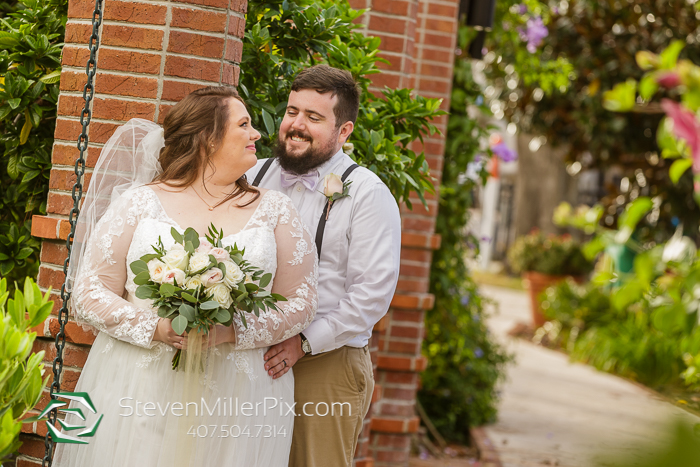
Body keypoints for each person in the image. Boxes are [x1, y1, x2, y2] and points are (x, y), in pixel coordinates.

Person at [53, 87, 318, 467]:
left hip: (239, 394)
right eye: (244, 125)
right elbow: (90, 291)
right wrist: (157, 327)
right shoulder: (139, 202)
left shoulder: (276, 210)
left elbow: (303, 302)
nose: (257, 134)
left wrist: (233, 330)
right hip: (140, 386)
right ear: (208, 140)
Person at [246, 64, 402, 467]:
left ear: (344, 131)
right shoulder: (252, 175)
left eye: (314, 118)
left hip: (326, 364)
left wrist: (303, 342)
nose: (296, 125)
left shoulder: (368, 193)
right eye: (292, 111)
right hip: (247, 356)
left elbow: (371, 295)